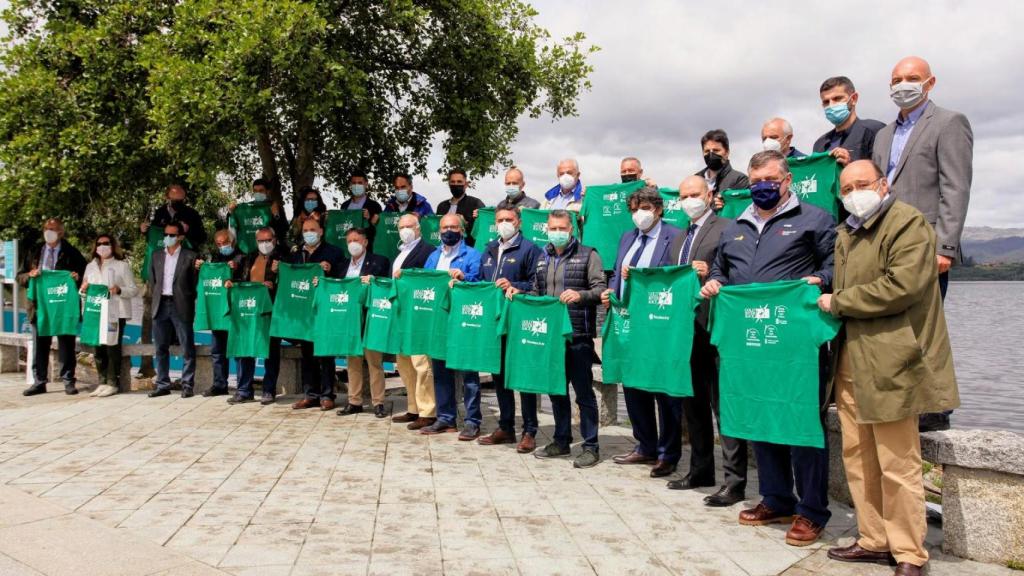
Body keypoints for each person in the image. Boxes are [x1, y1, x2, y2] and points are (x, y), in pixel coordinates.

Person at [820, 160, 959, 576]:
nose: (854, 193)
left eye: (862, 184)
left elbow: (902, 287)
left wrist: (838, 302)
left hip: (894, 359)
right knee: (858, 454)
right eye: (846, 188)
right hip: (852, 357)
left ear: (883, 184)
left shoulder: (908, 222)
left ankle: (909, 552)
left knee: (897, 460)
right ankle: (873, 538)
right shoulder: (847, 231)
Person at [701, 150, 835, 547]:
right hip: (748, 342)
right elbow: (722, 268)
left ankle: (812, 511)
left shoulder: (815, 220)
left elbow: (834, 266)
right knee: (760, 415)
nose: (761, 187)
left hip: (793, 344)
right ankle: (776, 498)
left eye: (769, 181)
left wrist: (817, 280)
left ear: (787, 181)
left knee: (802, 423)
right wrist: (716, 284)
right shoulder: (735, 226)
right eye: (755, 181)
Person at [871, 56, 972, 432]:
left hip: (928, 242)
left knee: (928, 325)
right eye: (896, 79)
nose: (903, 84)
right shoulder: (883, 134)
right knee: (900, 326)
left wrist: (945, 247)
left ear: (930, 83)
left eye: (911, 78)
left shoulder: (949, 123)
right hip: (889, 241)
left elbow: (955, 187)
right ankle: (908, 398)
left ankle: (936, 406)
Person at [663, 177, 742, 506]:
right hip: (687, 330)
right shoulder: (679, 236)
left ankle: (734, 481)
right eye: (683, 196)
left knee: (722, 407)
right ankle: (700, 469)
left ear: (710, 196)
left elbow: (735, 272)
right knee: (692, 405)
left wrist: (709, 272)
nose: (689, 200)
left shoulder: (728, 227)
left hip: (716, 326)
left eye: (694, 194)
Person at [508, 210, 606, 468]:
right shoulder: (543, 257)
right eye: (552, 228)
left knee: (583, 392)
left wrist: (580, 295)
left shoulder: (588, 254)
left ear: (571, 229)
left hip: (577, 335)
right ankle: (561, 439)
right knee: (556, 390)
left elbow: (600, 289)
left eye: (561, 228)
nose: (557, 232)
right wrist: (521, 292)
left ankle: (591, 446)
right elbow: (538, 291)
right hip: (550, 337)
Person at [601, 187, 683, 478]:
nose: (639, 214)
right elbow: (614, 272)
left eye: (645, 207)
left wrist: (642, 277)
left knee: (663, 389)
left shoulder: (675, 236)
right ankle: (645, 444)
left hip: (660, 324)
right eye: (634, 209)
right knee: (633, 384)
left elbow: (676, 277)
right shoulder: (627, 237)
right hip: (628, 322)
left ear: (659, 209)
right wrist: (612, 290)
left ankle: (668, 452)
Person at [477, 207, 542, 451]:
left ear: (519, 222)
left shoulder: (530, 249)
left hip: (518, 321)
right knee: (500, 376)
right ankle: (506, 427)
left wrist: (514, 285)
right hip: (495, 323)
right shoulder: (489, 249)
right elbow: (481, 281)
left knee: (522, 376)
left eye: (509, 219)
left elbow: (538, 284)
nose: (504, 223)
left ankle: (530, 430)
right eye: (500, 220)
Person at [420, 214, 483, 438]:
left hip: (463, 321)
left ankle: (472, 420)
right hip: (438, 321)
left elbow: (479, 283)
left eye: (454, 226)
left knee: (468, 374)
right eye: (445, 227)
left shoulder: (473, 255)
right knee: (440, 372)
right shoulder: (432, 256)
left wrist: (464, 277)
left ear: (462, 230)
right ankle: (446, 418)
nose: (449, 230)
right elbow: (423, 282)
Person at [17, 218, 87, 396]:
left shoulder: (71, 252)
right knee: (40, 346)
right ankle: (39, 382)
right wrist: (30, 275)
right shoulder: (34, 251)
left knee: (66, 345)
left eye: (54, 229)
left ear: (61, 232)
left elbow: (84, 276)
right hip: (39, 307)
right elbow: (19, 276)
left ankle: (68, 381)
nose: (49, 231)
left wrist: (76, 277)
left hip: (64, 307)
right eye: (47, 228)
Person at [284, 217, 346, 411]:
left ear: (321, 231)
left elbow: (342, 277)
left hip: (324, 310)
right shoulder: (296, 254)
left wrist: (331, 269)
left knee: (325, 353)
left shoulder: (334, 252)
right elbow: (289, 278)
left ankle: (327, 395)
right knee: (307, 353)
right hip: (303, 311)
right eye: (305, 230)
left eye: (312, 229)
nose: (308, 233)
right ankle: (310, 394)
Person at [336, 227, 391, 418]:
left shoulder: (379, 261)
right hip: (349, 319)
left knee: (374, 362)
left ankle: (378, 402)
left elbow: (386, 285)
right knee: (352, 361)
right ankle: (355, 401)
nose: (353, 244)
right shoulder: (342, 265)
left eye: (356, 240)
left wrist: (374, 280)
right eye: (349, 240)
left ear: (365, 242)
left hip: (371, 317)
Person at [389, 213, 438, 428]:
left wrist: (407, 274)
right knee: (404, 363)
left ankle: (428, 411)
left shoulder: (427, 251)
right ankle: (413, 407)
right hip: (401, 313)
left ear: (418, 228)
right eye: (401, 227)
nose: (405, 230)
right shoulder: (399, 252)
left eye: (409, 226)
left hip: (419, 314)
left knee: (421, 364)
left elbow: (427, 278)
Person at [231, 226, 286, 405]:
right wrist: (232, 283)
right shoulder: (249, 258)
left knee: (270, 352)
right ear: (256, 242)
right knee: (246, 349)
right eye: (261, 240)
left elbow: (292, 282)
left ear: (275, 240)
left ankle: (269, 390)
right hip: (249, 311)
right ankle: (244, 390)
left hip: (271, 310)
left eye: (268, 240)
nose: (265, 244)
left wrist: (277, 278)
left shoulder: (283, 257)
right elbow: (241, 279)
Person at [81, 234, 138, 398]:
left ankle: (113, 382)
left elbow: (133, 289)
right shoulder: (90, 266)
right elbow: (84, 292)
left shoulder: (122, 266)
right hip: (95, 313)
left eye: (106, 243)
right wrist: (84, 290)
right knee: (98, 348)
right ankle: (102, 381)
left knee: (112, 347)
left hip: (115, 313)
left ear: (113, 246)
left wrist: (119, 290)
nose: (102, 246)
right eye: (99, 244)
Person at [147, 222, 199, 398]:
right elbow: (152, 281)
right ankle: (162, 384)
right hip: (160, 305)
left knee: (187, 347)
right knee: (160, 347)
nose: (167, 238)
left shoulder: (190, 257)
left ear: (181, 237)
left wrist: (186, 298)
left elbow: (194, 284)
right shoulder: (156, 256)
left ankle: (187, 385)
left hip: (181, 305)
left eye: (172, 235)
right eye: (166, 234)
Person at [195, 229, 245, 397]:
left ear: (232, 241)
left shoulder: (243, 257)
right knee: (217, 351)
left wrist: (236, 273)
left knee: (238, 351)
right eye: (218, 244)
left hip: (236, 312)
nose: (222, 246)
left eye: (225, 243)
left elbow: (248, 281)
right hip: (218, 312)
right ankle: (219, 385)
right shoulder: (216, 259)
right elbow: (203, 280)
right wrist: (199, 268)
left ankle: (242, 387)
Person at [812, 76, 885, 166]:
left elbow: (883, 171)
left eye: (837, 98)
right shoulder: (820, 144)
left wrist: (850, 165)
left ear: (853, 99)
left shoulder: (874, 131)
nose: (831, 105)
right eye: (826, 102)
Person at [223, 178, 289, 249]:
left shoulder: (274, 207)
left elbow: (283, 230)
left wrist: (276, 215)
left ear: (267, 191)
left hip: (269, 249)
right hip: (249, 250)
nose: (258, 193)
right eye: (255, 191)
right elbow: (231, 224)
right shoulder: (245, 208)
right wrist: (231, 212)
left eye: (261, 191)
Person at [696, 129, 750, 210]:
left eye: (716, 150)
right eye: (707, 151)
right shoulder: (696, 179)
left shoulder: (740, 180)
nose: (711, 154)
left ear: (727, 152)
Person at [141, 184, 208, 249]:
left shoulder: (192, 214)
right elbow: (155, 234)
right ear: (167, 197)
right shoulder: (160, 213)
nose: (178, 203)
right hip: (163, 254)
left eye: (181, 200)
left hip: (184, 255)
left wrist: (187, 232)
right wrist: (144, 230)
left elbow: (202, 238)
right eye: (175, 200)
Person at [436, 168, 486, 246]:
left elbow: (482, 229)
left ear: (466, 184)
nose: (456, 184)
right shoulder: (442, 206)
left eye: (459, 182)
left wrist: (465, 223)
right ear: (449, 184)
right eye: (453, 182)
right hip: (444, 249)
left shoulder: (475, 203)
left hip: (467, 250)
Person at [340, 170, 383, 250]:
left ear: (366, 184)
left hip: (366, 250)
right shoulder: (344, 206)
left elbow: (380, 232)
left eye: (360, 183)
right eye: (354, 183)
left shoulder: (375, 206)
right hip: (346, 248)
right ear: (350, 184)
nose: (356, 185)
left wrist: (370, 219)